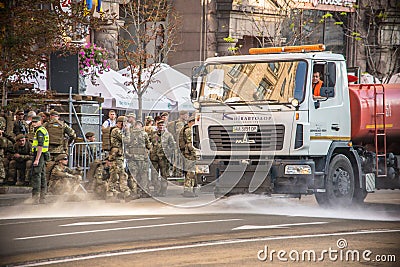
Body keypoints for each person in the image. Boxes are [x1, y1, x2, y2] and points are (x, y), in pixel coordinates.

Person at [107, 116, 136, 202]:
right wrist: (127, 131)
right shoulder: (116, 131)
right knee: (122, 174)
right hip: (116, 156)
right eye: (125, 123)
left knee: (114, 176)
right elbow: (126, 140)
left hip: (117, 155)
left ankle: (110, 195)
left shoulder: (117, 130)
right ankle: (126, 193)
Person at [149, 120, 175, 196]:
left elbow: (172, 146)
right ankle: (156, 190)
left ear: (165, 126)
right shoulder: (153, 134)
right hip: (154, 158)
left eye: (162, 125)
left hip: (164, 159)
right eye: (159, 125)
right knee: (154, 175)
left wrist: (168, 153)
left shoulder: (168, 135)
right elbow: (147, 142)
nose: (161, 127)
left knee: (164, 175)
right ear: (157, 126)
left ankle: (163, 191)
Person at [126, 120, 152, 198]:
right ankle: (144, 191)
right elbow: (148, 146)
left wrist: (128, 154)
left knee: (133, 175)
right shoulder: (144, 134)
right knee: (143, 175)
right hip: (142, 158)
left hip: (132, 157)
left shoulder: (130, 134)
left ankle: (134, 191)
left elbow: (125, 145)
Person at [31, 116, 49, 204]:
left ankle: (36, 197)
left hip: (39, 155)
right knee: (42, 175)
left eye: (35, 122)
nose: (33, 123)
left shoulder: (39, 131)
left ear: (40, 122)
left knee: (36, 175)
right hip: (43, 154)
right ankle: (43, 197)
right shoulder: (42, 129)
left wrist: (37, 159)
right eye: (33, 122)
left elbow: (40, 146)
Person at [167, 111, 189, 177]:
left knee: (179, 159)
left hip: (180, 144)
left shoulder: (183, 123)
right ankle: (177, 174)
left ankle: (177, 173)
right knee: (178, 159)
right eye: (186, 115)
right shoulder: (180, 124)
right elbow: (180, 134)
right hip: (180, 145)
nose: (187, 116)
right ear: (181, 115)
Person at [180, 116, 197, 197]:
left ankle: (190, 190)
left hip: (187, 154)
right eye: (194, 122)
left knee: (190, 172)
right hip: (190, 154)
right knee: (190, 173)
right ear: (190, 122)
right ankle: (188, 191)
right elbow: (190, 144)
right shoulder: (189, 130)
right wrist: (196, 152)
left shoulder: (185, 129)